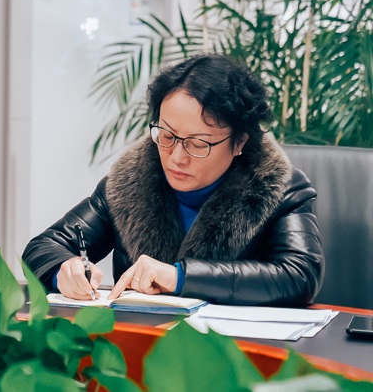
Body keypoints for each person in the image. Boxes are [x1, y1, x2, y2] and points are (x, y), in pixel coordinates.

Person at [22, 54, 324, 306]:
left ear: (239, 142)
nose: (177, 157)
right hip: (139, 346)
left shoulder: (277, 186)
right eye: (167, 135)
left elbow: (300, 275)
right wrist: (64, 269)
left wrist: (180, 277)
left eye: (198, 143)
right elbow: (45, 245)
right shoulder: (129, 181)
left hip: (236, 351)